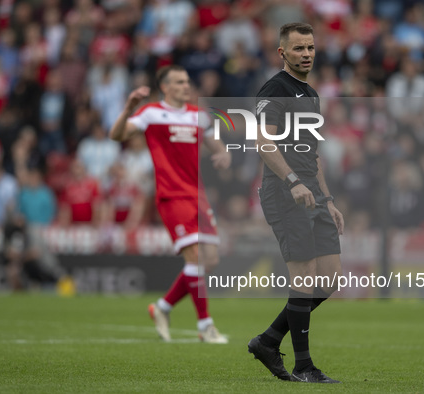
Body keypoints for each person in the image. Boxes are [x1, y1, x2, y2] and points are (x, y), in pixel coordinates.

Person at [247, 23, 344, 383]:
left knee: (329, 279)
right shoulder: (274, 89)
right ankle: (304, 367)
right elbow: (263, 142)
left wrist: (328, 199)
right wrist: (292, 182)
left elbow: (312, 155)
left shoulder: (311, 95)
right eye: (299, 48)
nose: (306, 53)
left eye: (311, 47)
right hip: (285, 192)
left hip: (313, 195)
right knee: (304, 279)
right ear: (282, 53)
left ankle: (268, 341)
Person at [110, 65, 231, 343]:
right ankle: (205, 326)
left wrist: (223, 154)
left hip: (197, 194)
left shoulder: (199, 117)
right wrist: (128, 107)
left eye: (187, 81)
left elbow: (215, 144)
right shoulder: (151, 113)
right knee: (196, 257)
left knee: (209, 259)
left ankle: (162, 308)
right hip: (171, 195)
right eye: (178, 82)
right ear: (165, 87)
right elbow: (116, 135)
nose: (185, 86)